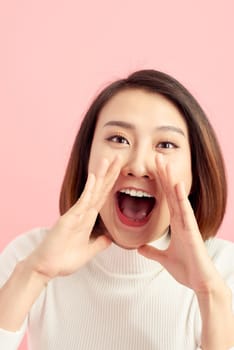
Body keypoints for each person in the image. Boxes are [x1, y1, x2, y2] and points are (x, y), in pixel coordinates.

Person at [0, 69, 234, 350]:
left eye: (166, 144)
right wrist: (35, 272)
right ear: (87, 156)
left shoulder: (224, 269)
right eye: (119, 139)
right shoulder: (29, 255)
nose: (137, 165)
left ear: (195, 174)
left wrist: (209, 294)